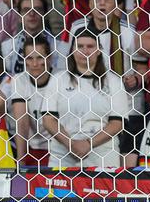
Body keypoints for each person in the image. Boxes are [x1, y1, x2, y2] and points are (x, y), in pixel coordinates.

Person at [42, 29, 128, 167]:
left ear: (99, 50)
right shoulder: (58, 79)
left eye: (90, 46)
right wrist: (71, 144)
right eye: (80, 46)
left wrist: (88, 144)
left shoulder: (114, 81)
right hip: (63, 154)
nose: (85, 51)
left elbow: (117, 123)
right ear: (72, 50)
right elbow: (48, 119)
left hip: (102, 155)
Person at [8, 36, 55, 167]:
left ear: (49, 58)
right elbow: (22, 122)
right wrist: (21, 160)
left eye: (39, 58)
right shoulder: (19, 80)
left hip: (59, 147)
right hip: (32, 148)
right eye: (29, 58)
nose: (34, 64)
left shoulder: (60, 78)